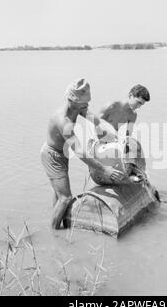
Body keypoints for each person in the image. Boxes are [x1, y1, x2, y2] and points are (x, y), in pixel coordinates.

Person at [40, 78, 125, 229]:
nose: (87, 106)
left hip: (62, 153)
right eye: (83, 103)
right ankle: (54, 232)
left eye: (87, 102)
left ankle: (60, 227)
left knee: (58, 192)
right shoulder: (62, 119)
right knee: (65, 198)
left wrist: (117, 138)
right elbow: (79, 150)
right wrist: (104, 169)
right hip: (52, 155)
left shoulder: (79, 107)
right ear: (71, 100)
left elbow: (97, 121)